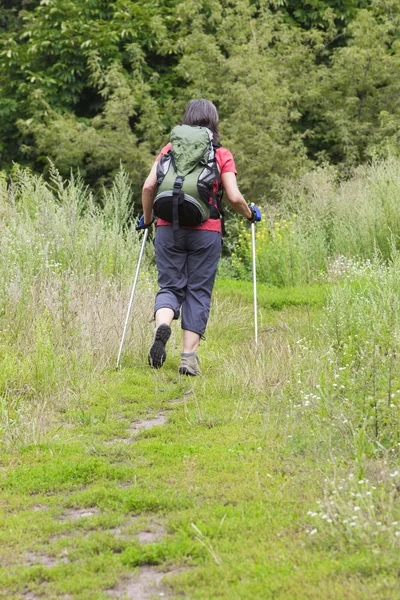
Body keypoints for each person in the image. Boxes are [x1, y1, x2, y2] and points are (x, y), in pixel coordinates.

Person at [137, 99, 261, 376]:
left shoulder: (169, 149)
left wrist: (147, 221)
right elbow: (233, 197)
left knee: (169, 286)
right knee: (198, 292)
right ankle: (188, 358)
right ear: (213, 123)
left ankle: (162, 326)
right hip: (206, 232)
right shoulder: (221, 153)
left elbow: (148, 186)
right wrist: (250, 214)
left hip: (168, 229)